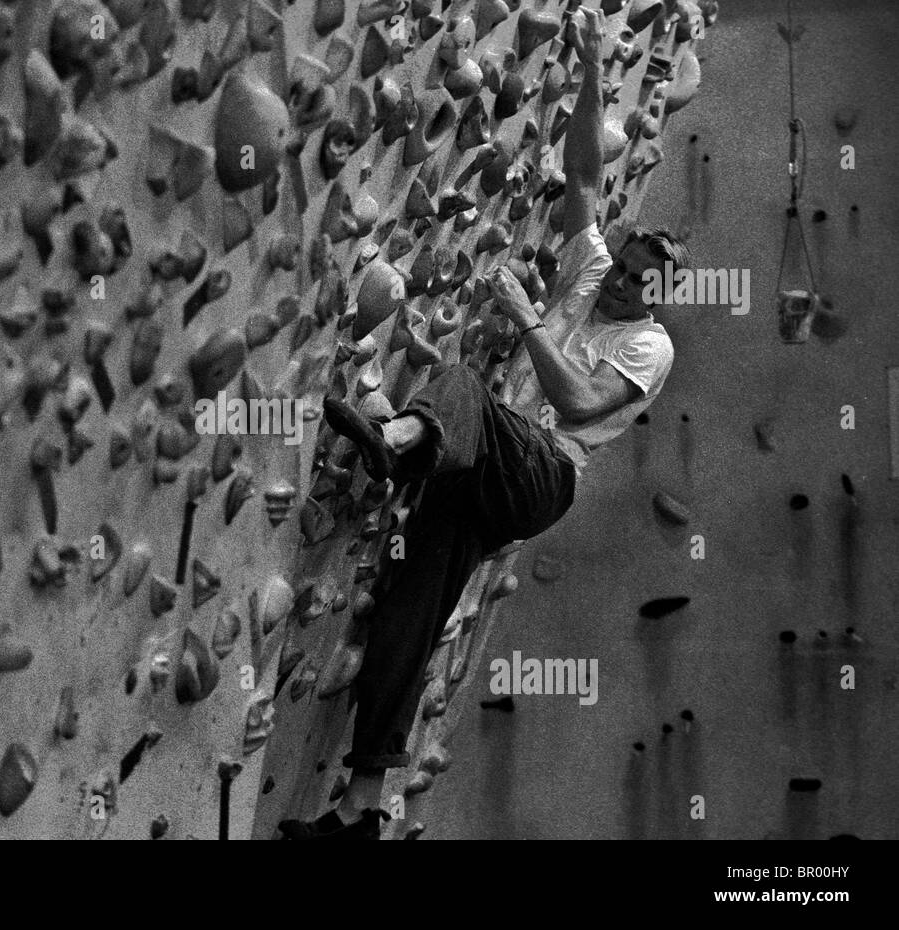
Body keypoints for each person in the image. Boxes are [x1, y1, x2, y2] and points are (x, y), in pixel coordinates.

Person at [280, 7, 693, 840]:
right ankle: (361, 809)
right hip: (494, 470)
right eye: (626, 272)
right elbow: (581, 174)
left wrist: (527, 319)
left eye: (639, 283)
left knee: (463, 381)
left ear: (660, 296)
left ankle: (401, 442)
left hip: (546, 474)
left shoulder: (651, 344)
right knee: (409, 608)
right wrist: (585, 69)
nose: (621, 288)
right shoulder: (594, 270)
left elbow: (578, 406)